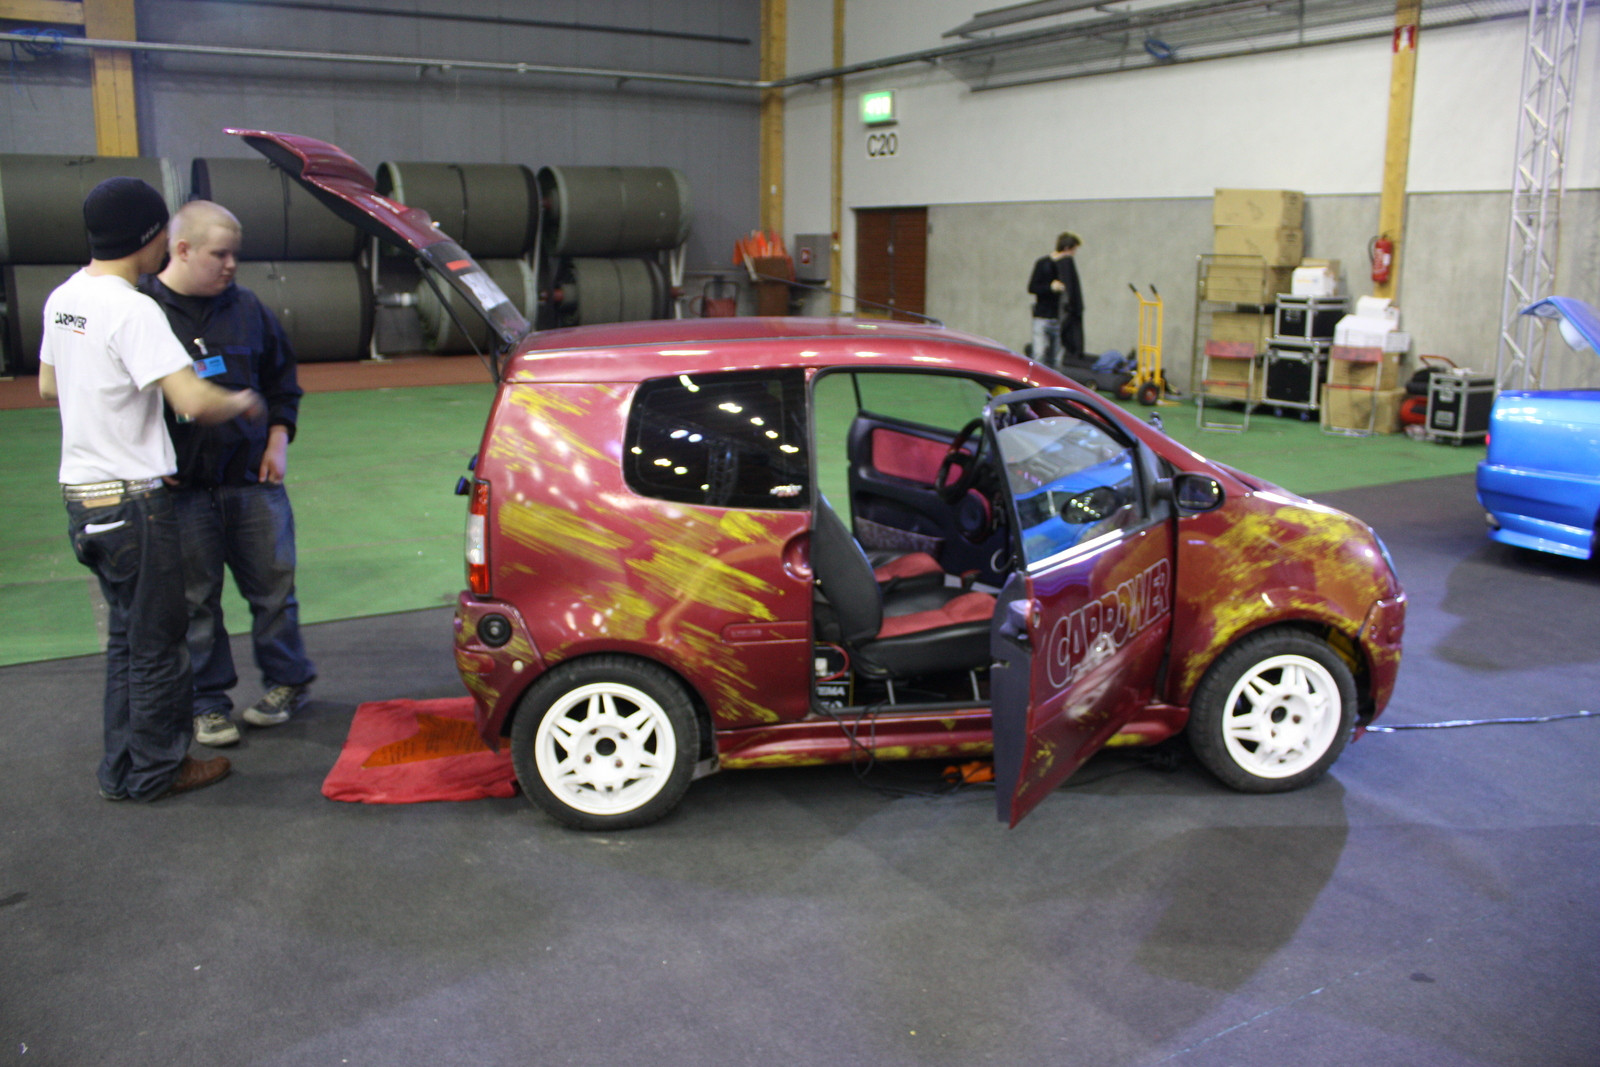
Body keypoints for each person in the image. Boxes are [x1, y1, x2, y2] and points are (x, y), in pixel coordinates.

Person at [38, 177, 263, 801]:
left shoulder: (64, 299)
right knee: (160, 647)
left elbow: (49, 389)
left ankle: (125, 767)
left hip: (84, 501)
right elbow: (190, 398)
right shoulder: (133, 308)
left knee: (126, 643)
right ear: (151, 237)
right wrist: (240, 398)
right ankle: (160, 768)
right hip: (135, 503)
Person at [139, 201, 317, 747]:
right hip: (183, 492)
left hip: (251, 483)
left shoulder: (249, 310)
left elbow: (282, 382)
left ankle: (288, 682)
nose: (231, 264)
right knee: (196, 603)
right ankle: (208, 702)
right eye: (220, 254)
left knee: (273, 592)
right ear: (183, 249)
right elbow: (123, 399)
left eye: (236, 254)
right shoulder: (143, 312)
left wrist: (278, 440)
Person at [1026, 231, 1083, 367]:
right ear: (1067, 248)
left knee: (1056, 359)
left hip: (1059, 319)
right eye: (1073, 250)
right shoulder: (1043, 264)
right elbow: (1032, 287)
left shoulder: (1067, 267)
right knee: (1039, 354)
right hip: (1042, 317)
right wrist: (1051, 287)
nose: (1074, 254)